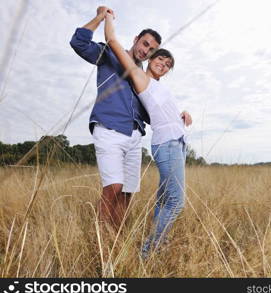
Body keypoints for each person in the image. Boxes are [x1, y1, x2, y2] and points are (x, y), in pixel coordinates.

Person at [104, 11, 192, 258]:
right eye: (160, 60)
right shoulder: (139, 77)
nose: (163, 66)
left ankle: (155, 245)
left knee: (164, 201)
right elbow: (112, 40)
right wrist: (107, 16)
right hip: (167, 146)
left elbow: (161, 112)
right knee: (176, 202)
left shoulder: (158, 87)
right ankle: (148, 251)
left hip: (177, 143)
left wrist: (183, 113)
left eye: (167, 66)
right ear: (151, 57)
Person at [69, 6, 162, 230]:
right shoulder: (109, 54)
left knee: (127, 193)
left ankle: (117, 239)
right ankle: (102, 244)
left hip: (134, 136)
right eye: (145, 43)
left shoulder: (143, 77)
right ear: (136, 39)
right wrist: (101, 17)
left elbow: (150, 113)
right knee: (113, 187)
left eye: (151, 50)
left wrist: (177, 115)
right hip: (109, 129)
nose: (146, 50)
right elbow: (78, 42)